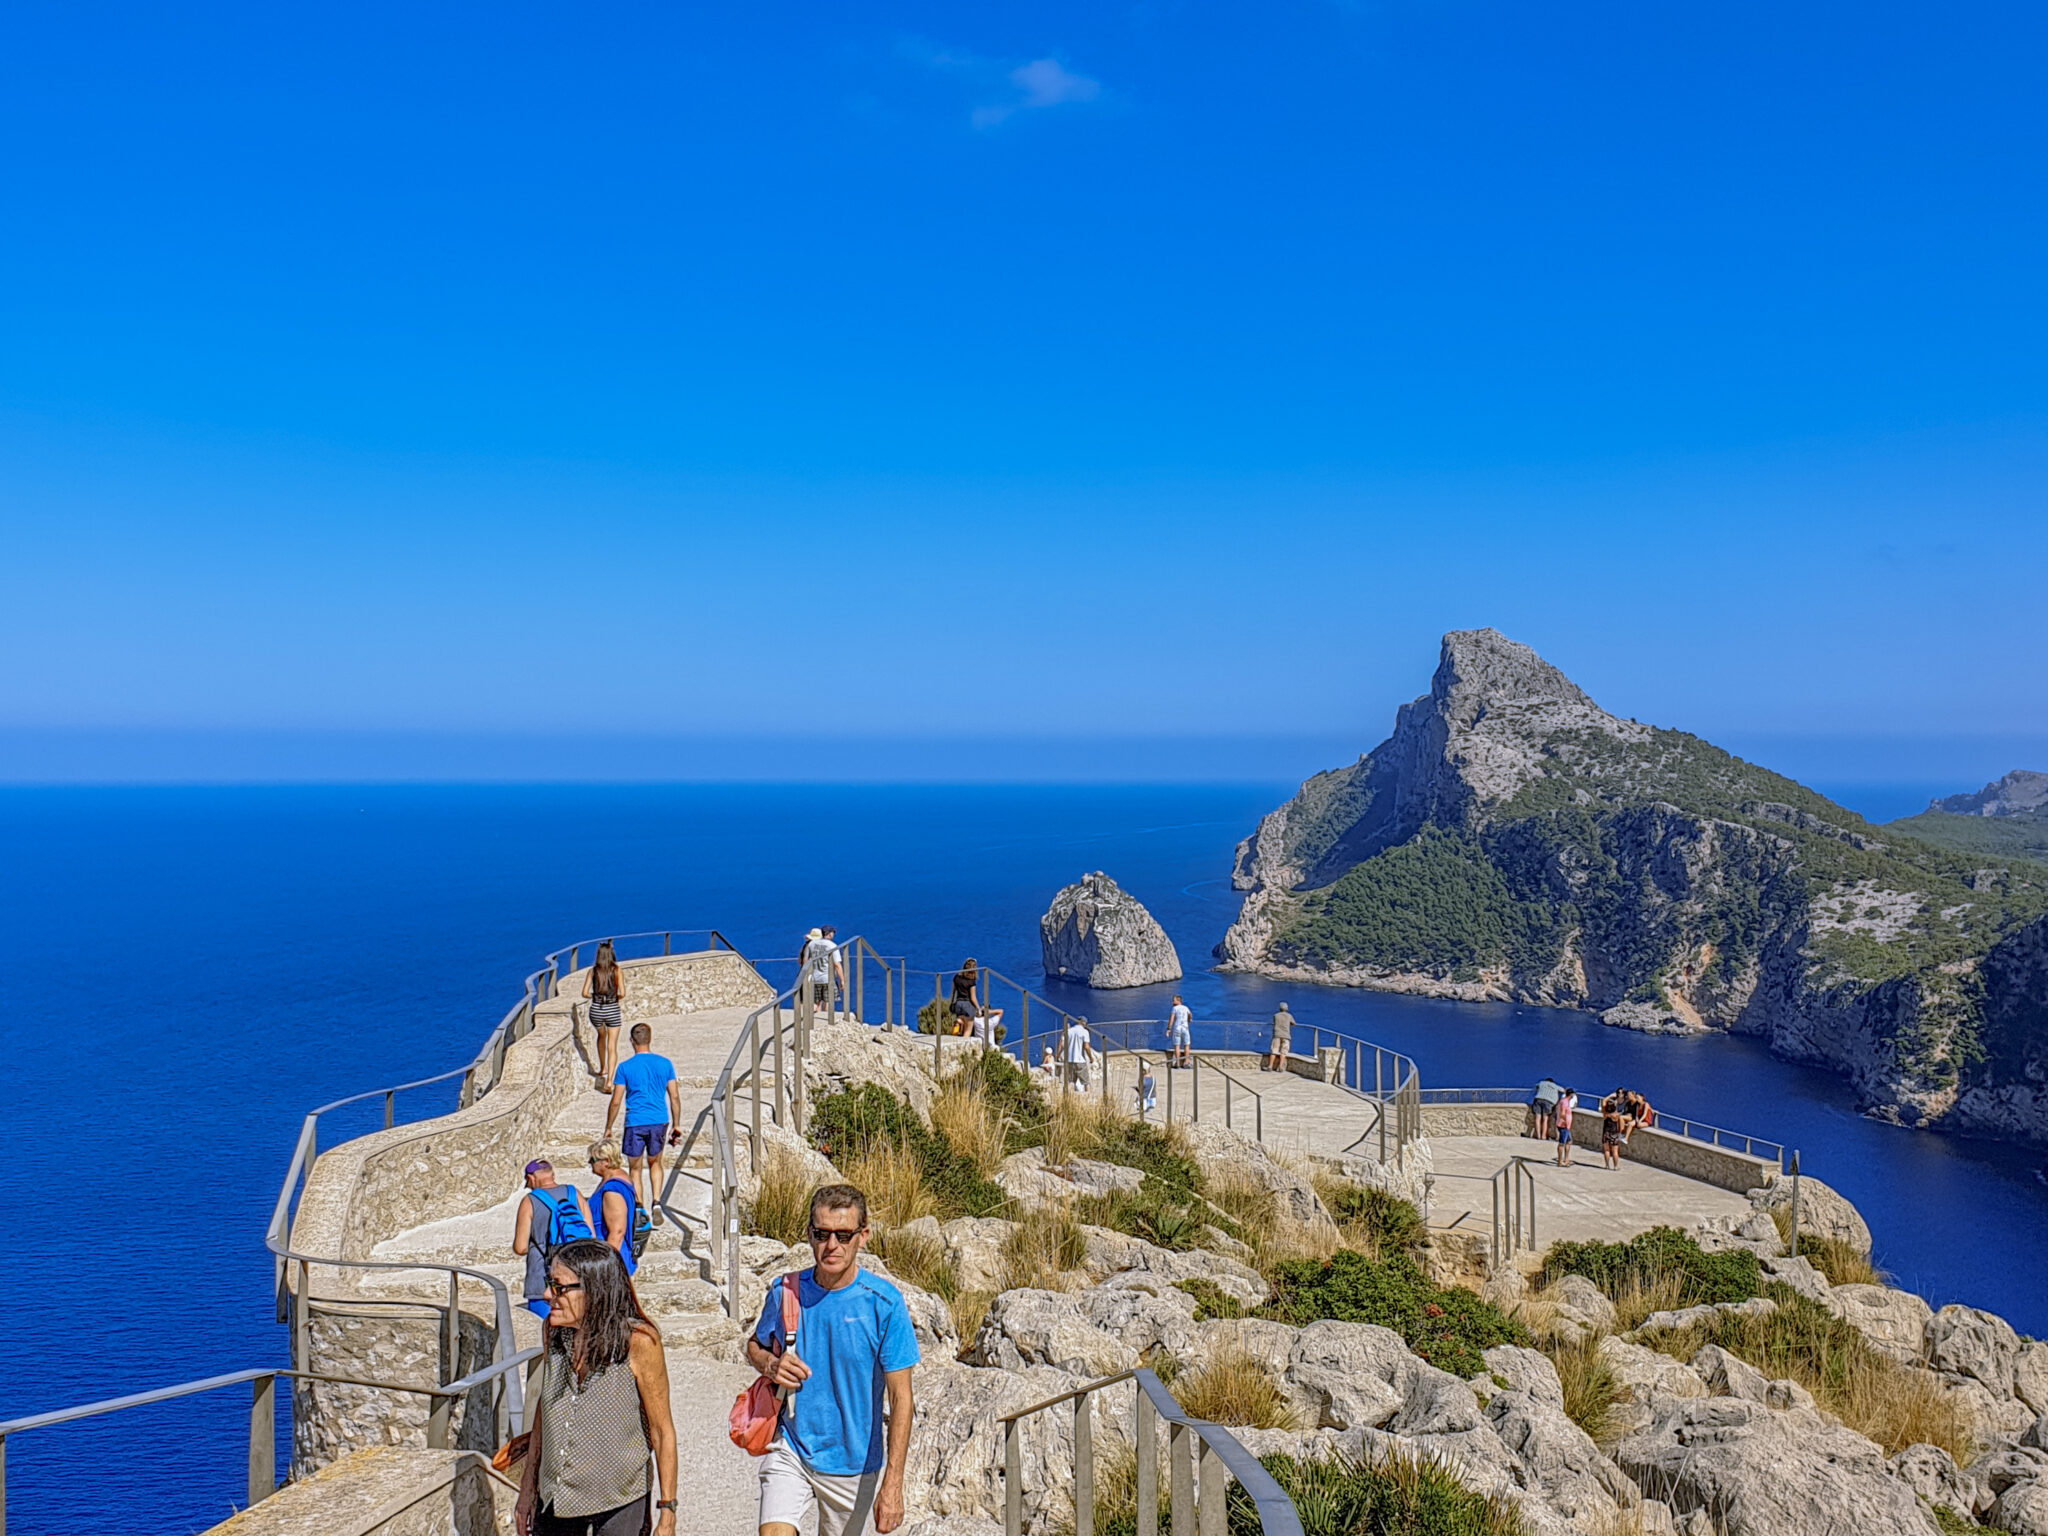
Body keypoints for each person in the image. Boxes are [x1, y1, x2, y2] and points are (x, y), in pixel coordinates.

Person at [748, 1184, 918, 1536]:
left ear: (863, 1236)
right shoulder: (785, 1292)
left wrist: (893, 1483)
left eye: (843, 1235)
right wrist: (771, 1365)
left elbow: (902, 1399)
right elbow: (754, 1345)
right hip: (791, 1447)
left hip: (853, 1465)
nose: (831, 1246)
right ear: (809, 1234)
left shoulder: (884, 1305)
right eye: (822, 1234)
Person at [514, 1238, 678, 1536]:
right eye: (549, 1282)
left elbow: (662, 1430)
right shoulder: (553, 1331)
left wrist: (667, 1512)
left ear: (595, 1289)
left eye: (559, 1287)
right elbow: (545, 1411)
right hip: (555, 1497)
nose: (547, 1294)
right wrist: (528, 1489)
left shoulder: (639, 1343)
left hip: (619, 1500)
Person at [606, 1024, 682, 1227]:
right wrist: (676, 1124)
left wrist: (608, 1127)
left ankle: (639, 1207)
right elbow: (674, 1096)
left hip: (635, 1122)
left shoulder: (624, 1067)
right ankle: (657, 1202)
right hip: (659, 1120)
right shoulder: (665, 1064)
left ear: (632, 1041)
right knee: (655, 1163)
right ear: (650, 1038)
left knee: (635, 1168)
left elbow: (616, 1101)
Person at [513, 1160, 596, 1320]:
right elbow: (590, 1234)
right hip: (577, 1275)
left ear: (531, 1178)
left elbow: (520, 1247)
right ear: (552, 1174)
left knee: (544, 1333)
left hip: (542, 1278)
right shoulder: (574, 1193)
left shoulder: (530, 1201)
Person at [587, 1139, 641, 1278]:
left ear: (605, 1161)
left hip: (610, 1257)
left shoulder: (612, 1189)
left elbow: (617, 1231)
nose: (589, 1164)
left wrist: (606, 1268)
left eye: (592, 1160)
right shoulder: (619, 1178)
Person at [583, 939, 626, 1093]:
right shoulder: (616, 970)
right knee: (612, 1045)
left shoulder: (592, 971)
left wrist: (594, 996)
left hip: (596, 1009)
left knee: (601, 1036)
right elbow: (623, 993)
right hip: (612, 1009)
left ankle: (602, 1068)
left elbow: (584, 993)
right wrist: (613, 999)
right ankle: (609, 1082)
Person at [802, 927, 845, 1021]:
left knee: (815, 1002)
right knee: (828, 1001)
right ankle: (825, 1023)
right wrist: (842, 980)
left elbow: (805, 961)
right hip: (828, 978)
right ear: (830, 934)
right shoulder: (832, 946)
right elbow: (837, 964)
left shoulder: (811, 944)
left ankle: (810, 1021)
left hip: (814, 978)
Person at [1062, 1015, 1094, 1093]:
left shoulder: (1069, 1031)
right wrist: (1090, 1057)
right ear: (1084, 1023)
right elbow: (1086, 1046)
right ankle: (1088, 1097)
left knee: (1070, 1082)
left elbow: (1063, 1044)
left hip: (1070, 1059)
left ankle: (1068, 1098)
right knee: (1086, 1082)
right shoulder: (1084, 1032)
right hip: (1080, 1060)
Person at [1265, 1002, 1296, 1073]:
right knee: (1283, 1052)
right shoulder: (1289, 1016)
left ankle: (1270, 1066)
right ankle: (1280, 1067)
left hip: (1277, 1034)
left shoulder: (1276, 1015)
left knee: (1274, 1051)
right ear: (1287, 1009)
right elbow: (1293, 1023)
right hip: (1286, 1035)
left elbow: (1274, 1022)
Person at [1554, 1087, 1578, 1167]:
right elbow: (1562, 1113)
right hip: (1563, 1126)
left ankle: (1566, 1159)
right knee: (1562, 1143)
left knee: (1568, 1141)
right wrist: (1564, 1121)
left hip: (1565, 1126)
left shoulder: (1564, 1101)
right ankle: (1560, 1161)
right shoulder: (1564, 1102)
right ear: (1571, 1094)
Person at [1167, 996, 1193, 1068]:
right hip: (1185, 1028)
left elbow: (1171, 1019)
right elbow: (1190, 1014)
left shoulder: (1174, 1008)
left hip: (1177, 1028)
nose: (1172, 1002)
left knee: (1177, 1045)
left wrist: (1168, 1029)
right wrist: (1188, 1020)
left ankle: (1178, 1063)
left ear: (1178, 1001)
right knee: (1186, 1045)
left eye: (1173, 1000)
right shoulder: (1185, 1007)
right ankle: (1186, 1062)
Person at [1601, 1099, 1625, 1170]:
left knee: (1606, 1150)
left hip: (1606, 1133)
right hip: (1614, 1134)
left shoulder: (1605, 1114)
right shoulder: (1616, 1115)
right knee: (1615, 1151)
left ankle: (1607, 1165)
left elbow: (1603, 1102)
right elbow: (1620, 1126)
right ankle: (1615, 1166)